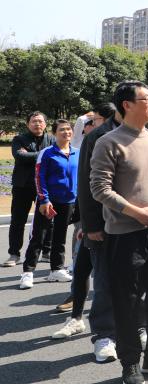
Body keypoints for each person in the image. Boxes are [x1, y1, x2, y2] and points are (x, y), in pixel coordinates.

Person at [90, 80, 148, 384]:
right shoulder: (108, 142)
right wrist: (136, 212)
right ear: (128, 104)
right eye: (146, 98)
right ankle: (131, 363)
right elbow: (99, 189)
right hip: (125, 235)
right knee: (126, 302)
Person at [73, 103, 120, 362]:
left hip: (135, 224)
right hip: (103, 224)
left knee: (135, 280)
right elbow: (86, 184)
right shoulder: (97, 136)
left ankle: (135, 328)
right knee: (103, 280)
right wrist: (90, 226)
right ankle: (104, 335)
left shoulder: (144, 134)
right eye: (145, 100)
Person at [20, 119, 78, 291]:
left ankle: (56, 269)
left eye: (68, 129)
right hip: (49, 202)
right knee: (38, 236)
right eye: (62, 130)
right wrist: (44, 199)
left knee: (60, 237)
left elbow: (80, 177)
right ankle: (28, 272)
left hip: (68, 202)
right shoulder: (46, 153)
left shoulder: (77, 152)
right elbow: (39, 177)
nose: (66, 132)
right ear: (54, 133)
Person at [5, 112, 54, 267]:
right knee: (18, 220)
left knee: (48, 219)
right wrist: (44, 154)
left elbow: (56, 157)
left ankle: (47, 251)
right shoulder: (19, 139)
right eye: (33, 121)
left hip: (46, 186)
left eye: (40, 121)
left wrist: (32, 155)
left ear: (45, 124)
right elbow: (20, 156)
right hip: (23, 185)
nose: (37, 124)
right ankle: (14, 254)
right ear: (28, 124)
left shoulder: (52, 139)